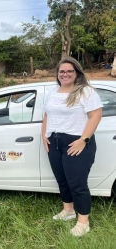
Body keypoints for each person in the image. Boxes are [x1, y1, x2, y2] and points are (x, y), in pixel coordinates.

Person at [42, 57, 102, 236]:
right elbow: (47, 115)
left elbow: (95, 116)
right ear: (57, 74)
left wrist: (83, 140)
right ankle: (68, 211)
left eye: (69, 71)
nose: (65, 74)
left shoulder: (85, 92)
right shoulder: (53, 92)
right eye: (62, 71)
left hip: (76, 142)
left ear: (77, 73)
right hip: (55, 142)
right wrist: (44, 135)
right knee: (62, 180)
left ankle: (83, 222)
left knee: (77, 184)